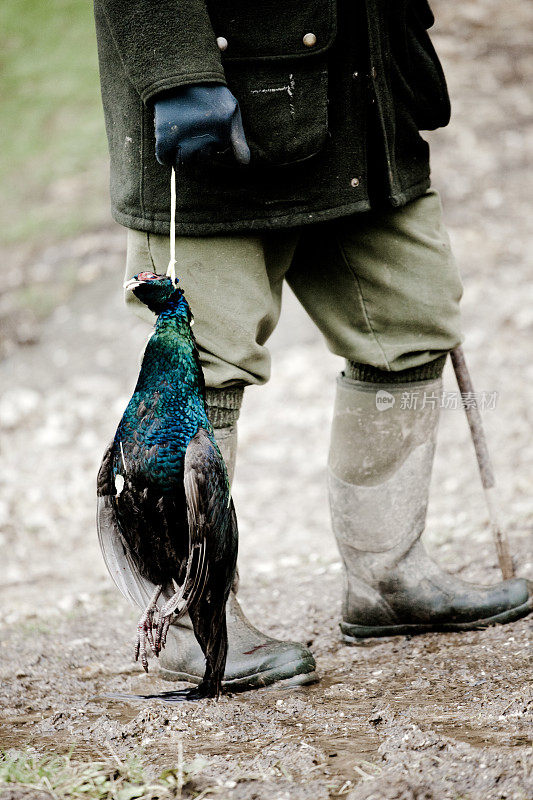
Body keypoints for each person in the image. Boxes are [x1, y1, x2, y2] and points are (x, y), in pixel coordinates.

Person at [93, 0, 532, 691]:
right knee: (200, 357)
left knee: (411, 322)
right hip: (219, 101)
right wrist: (173, 71)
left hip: (362, 100)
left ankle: (388, 580)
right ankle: (188, 625)